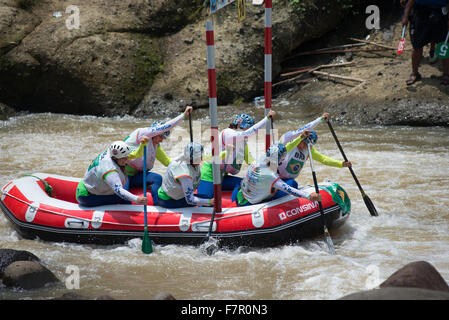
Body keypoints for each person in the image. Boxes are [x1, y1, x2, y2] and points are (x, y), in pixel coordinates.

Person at [196, 110, 276, 198]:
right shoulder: (228, 133)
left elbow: (250, 161)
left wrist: (266, 168)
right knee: (206, 200)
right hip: (209, 175)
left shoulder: (242, 142)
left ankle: (237, 203)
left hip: (222, 177)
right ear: (239, 125)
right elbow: (248, 133)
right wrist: (266, 119)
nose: (250, 131)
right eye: (248, 127)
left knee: (245, 185)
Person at [123, 106, 193, 205]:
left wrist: (185, 168)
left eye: (163, 138)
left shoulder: (156, 146)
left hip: (137, 175)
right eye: (161, 136)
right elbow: (168, 126)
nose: (161, 140)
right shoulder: (142, 133)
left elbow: (168, 162)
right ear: (154, 133)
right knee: (124, 196)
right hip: (123, 174)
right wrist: (183, 115)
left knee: (157, 178)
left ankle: (157, 204)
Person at [277, 114, 351, 196]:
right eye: (304, 144)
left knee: (293, 183)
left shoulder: (309, 149)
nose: (305, 147)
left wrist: (341, 164)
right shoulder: (291, 142)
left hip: (287, 181)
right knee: (292, 184)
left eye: (308, 145)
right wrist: (320, 120)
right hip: (275, 178)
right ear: (301, 139)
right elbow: (288, 146)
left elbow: (323, 159)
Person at [232, 142, 321, 206]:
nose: (283, 159)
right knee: (292, 183)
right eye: (282, 157)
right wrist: (309, 196)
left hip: (240, 196)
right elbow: (288, 189)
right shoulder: (271, 176)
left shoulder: (260, 159)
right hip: (249, 204)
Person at [76, 141, 148, 207]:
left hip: (91, 186)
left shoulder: (112, 152)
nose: (127, 160)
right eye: (124, 158)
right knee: (123, 199)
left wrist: (142, 145)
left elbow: (134, 155)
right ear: (116, 158)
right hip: (87, 196)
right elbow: (119, 191)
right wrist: (137, 199)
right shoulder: (109, 169)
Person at [402, 0, 449, 85]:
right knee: (417, 46)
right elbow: (411, 2)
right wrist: (405, 17)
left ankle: (446, 74)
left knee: (443, 46)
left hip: (441, 15)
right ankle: (415, 73)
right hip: (422, 14)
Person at [157, 142, 214, 208]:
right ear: (193, 159)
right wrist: (210, 202)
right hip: (169, 200)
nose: (201, 159)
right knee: (206, 199)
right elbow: (190, 200)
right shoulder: (184, 173)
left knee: (205, 197)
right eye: (199, 157)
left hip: (177, 196)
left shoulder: (189, 157)